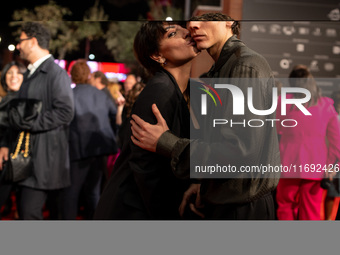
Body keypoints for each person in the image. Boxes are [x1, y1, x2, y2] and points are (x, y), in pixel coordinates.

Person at [130, 13, 280, 220]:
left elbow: (239, 151)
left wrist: (167, 142)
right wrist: (202, 183)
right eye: (191, 22)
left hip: (243, 208)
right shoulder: (219, 70)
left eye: (205, 19)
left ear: (229, 22)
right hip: (226, 203)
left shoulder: (244, 66)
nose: (193, 26)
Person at [94, 21, 200, 219]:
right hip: (134, 209)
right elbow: (145, 166)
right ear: (157, 55)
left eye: (182, 28)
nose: (187, 33)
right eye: (172, 34)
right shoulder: (160, 90)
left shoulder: (181, 90)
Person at [5, 22, 74, 220]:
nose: (18, 46)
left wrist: (29, 123)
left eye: (21, 40)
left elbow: (65, 112)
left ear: (33, 41)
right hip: (26, 158)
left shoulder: (56, 74)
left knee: (30, 213)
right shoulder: (29, 73)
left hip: (43, 161)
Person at [275, 65, 340, 220]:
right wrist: (332, 165)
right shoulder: (326, 105)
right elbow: (336, 142)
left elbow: (277, 130)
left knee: (285, 207)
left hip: (287, 163)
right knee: (311, 211)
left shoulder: (282, 102)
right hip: (316, 166)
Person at [61, 60, 117, 220]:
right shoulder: (101, 94)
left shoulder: (70, 95)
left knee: (71, 193)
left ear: (72, 76)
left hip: (78, 149)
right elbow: (114, 116)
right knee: (94, 191)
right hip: (100, 148)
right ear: (88, 75)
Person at [0, 61, 26, 219]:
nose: (13, 76)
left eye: (18, 73)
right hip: (6, 159)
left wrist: (3, 145)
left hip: (20, 157)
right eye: (10, 73)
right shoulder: (5, 99)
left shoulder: (26, 99)